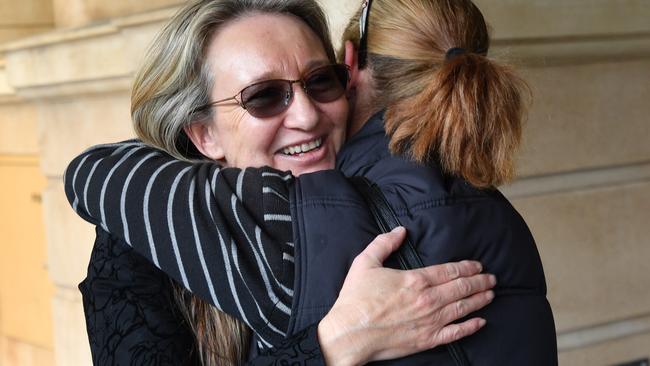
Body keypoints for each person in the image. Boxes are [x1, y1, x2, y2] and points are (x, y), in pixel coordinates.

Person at [65, 0, 496, 365]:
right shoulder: (141, 245)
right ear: (205, 133)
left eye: (320, 81)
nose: (307, 116)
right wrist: (335, 343)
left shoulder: (414, 195)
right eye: (264, 96)